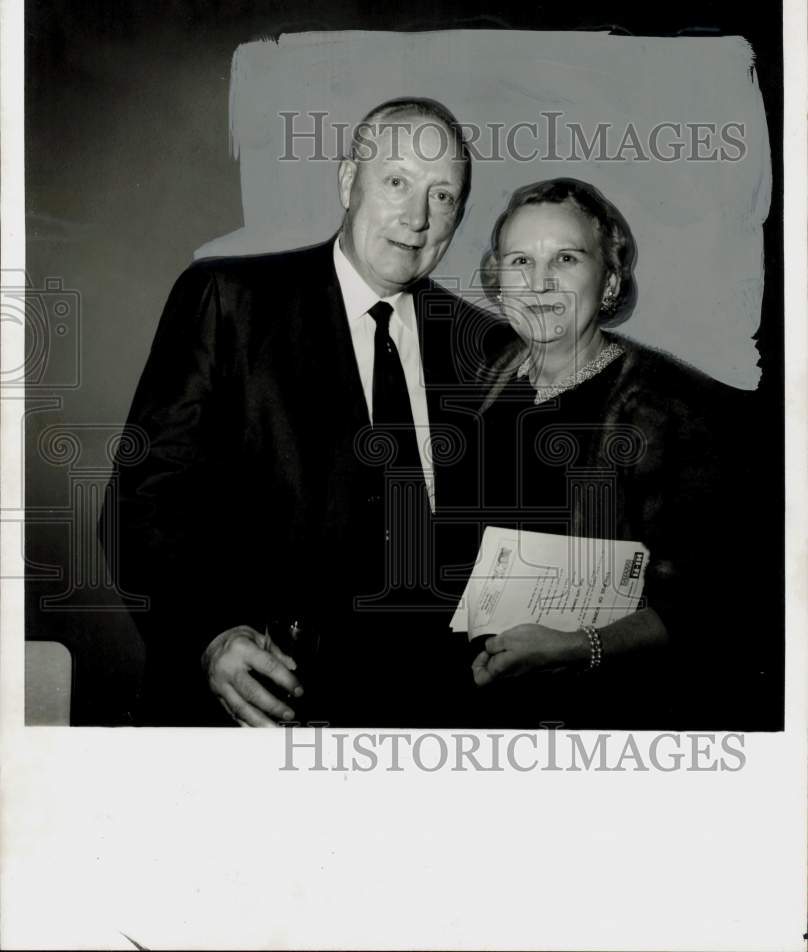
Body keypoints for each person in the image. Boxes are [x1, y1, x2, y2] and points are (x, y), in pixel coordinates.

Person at [100, 97, 512, 727]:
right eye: (397, 182)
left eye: (442, 196)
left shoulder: (485, 347)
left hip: (425, 724)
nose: (417, 218)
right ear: (349, 180)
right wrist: (208, 636)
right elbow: (142, 503)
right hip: (262, 714)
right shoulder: (228, 301)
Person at [468, 178, 754, 729]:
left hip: (598, 713)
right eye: (521, 259)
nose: (540, 282)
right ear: (497, 280)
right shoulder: (484, 375)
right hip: (473, 697)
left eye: (567, 258)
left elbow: (707, 604)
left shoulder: (669, 409)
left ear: (609, 281)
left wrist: (578, 647)